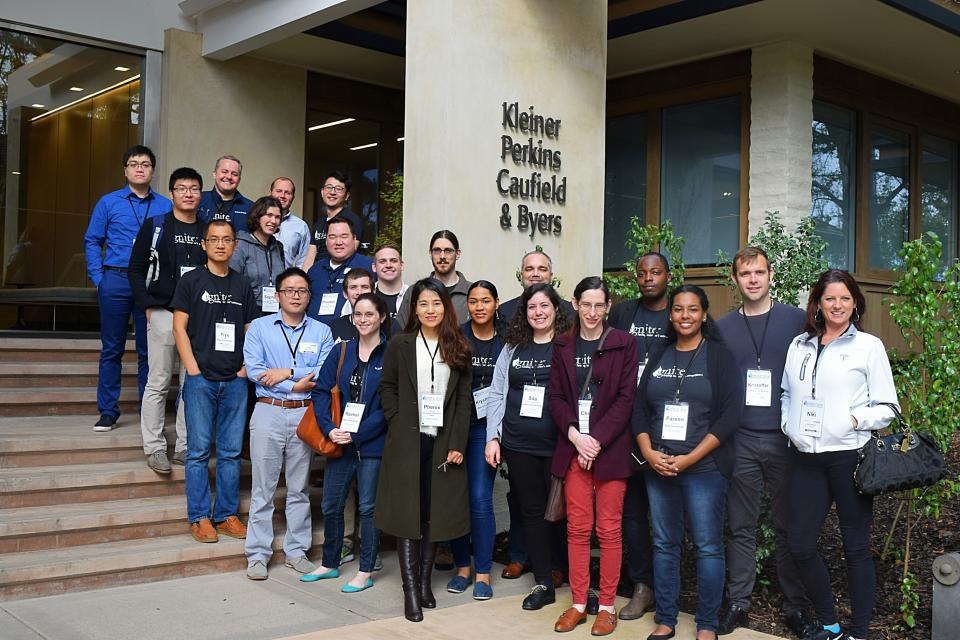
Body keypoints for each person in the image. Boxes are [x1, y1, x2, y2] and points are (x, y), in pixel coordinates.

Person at [781, 270, 899, 640]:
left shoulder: (868, 346)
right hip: (806, 459)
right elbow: (786, 393)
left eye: (845, 299)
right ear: (817, 303)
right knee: (800, 544)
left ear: (855, 304)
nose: (837, 305)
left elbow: (888, 407)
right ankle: (829, 623)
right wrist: (789, 426)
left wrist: (853, 419)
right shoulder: (799, 344)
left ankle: (859, 632)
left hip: (849, 457)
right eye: (830, 299)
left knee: (856, 548)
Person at [632, 285, 742, 640]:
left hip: (704, 469)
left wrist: (690, 458)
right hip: (659, 465)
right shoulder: (660, 353)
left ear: (704, 315)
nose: (684, 316)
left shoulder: (718, 357)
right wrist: (649, 453)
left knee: (708, 547)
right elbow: (639, 409)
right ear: (671, 315)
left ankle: (707, 624)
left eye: (692, 309)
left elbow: (729, 416)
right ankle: (666, 618)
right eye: (678, 309)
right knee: (664, 544)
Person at [715, 247, 814, 638]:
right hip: (740, 440)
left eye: (759, 272)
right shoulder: (722, 328)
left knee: (789, 526)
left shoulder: (795, 320)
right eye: (745, 273)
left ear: (771, 274)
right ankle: (738, 602)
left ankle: (796, 607)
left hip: (786, 440)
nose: (753, 279)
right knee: (741, 527)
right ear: (735, 279)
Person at [375, 279, 473, 622]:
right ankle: (411, 591)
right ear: (414, 309)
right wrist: (398, 420)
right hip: (407, 442)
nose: (430, 310)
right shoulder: (400, 344)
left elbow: (463, 401)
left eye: (436, 303)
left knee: (434, 515)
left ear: (445, 307)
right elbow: (386, 387)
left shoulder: (458, 344)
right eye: (423, 304)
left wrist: (458, 443)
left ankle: (425, 581)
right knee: (408, 517)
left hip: (443, 442)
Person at [548, 277, 638, 636]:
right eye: (586, 304)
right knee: (578, 529)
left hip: (610, 450)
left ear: (608, 306)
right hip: (573, 449)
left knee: (609, 530)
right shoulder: (562, 344)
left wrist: (595, 440)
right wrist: (575, 435)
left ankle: (606, 606)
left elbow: (625, 399)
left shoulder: (624, 343)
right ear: (574, 303)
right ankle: (578, 603)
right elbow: (555, 398)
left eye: (599, 305)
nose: (592, 312)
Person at [242, 267, 334, 579]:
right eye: (289, 290)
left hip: (304, 414)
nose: (295, 295)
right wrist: (293, 383)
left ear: (309, 296)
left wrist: (283, 372)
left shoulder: (321, 332)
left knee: (299, 487)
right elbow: (255, 370)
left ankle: (297, 551)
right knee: (262, 489)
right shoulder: (259, 327)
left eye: (302, 291)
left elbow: (322, 373)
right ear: (278, 295)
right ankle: (257, 554)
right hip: (268, 411)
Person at [485, 283, 572, 612]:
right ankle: (544, 582)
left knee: (562, 512)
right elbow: (497, 392)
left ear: (556, 310)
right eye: (532, 307)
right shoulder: (513, 347)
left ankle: (563, 567)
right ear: (525, 312)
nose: (538, 312)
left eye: (544, 307)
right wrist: (493, 437)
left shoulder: (566, 346)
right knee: (532, 512)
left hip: (557, 444)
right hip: (519, 443)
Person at [172, 219, 258, 544]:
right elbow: (179, 327)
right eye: (214, 240)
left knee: (231, 452)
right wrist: (192, 368)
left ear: (234, 245)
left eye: (226, 240)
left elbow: (251, 329)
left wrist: (247, 366)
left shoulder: (242, 284)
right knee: (197, 453)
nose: (221, 245)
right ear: (204, 244)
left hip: (235, 381)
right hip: (200, 380)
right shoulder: (191, 281)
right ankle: (199, 517)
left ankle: (225, 515)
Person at [301, 293, 391, 592]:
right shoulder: (342, 351)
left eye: (369, 314)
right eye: (358, 314)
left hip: (373, 445)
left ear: (382, 317)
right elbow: (321, 392)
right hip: (339, 442)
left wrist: (359, 433)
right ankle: (329, 563)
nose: (363, 319)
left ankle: (365, 570)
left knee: (368, 508)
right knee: (331, 504)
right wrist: (329, 428)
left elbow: (391, 404)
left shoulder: (391, 354)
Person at [84, 144, 171, 430]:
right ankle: (108, 410)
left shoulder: (164, 205)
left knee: (149, 351)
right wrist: (99, 279)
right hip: (116, 280)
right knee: (112, 349)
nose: (139, 168)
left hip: (150, 282)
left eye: (145, 164)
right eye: (134, 164)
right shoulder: (108, 202)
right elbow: (92, 240)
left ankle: (149, 409)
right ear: (125, 170)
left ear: (152, 170)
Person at [607, 251, 672, 620]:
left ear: (667, 275)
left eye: (656, 272)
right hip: (625, 428)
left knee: (665, 516)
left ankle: (667, 590)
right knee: (632, 515)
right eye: (643, 272)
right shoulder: (622, 315)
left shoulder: (678, 311)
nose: (649, 278)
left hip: (668, 428)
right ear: (636, 277)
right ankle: (642, 585)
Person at [127, 167, 203, 473]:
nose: (188, 193)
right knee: (158, 381)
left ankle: (185, 445)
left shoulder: (208, 230)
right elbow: (134, 269)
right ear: (171, 193)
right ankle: (155, 447)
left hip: (196, 318)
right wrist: (147, 306)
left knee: (191, 383)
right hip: (162, 312)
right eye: (181, 188)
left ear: (200, 193)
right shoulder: (156, 226)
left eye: (194, 188)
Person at [447, 281, 504, 601]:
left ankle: (482, 571)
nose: (479, 306)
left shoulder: (507, 341)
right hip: (457, 426)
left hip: (487, 428)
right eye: (473, 301)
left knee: (481, 498)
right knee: (457, 498)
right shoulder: (457, 336)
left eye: (486, 300)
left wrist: (499, 435)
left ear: (496, 303)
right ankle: (461, 568)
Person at [305, 216, 374, 325]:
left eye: (344, 236)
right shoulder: (315, 270)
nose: (338, 242)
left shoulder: (368, 266)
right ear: (326, 241)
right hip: (315, 336)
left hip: (351, 336)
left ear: (354, 238)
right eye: (332, 237)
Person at [396, 230, 471, 327]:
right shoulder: (415, 291)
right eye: (437, 251)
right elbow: (401, 331)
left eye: (448, 251)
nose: (442, 256)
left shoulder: (471, 292)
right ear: (430, 253)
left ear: (457, 254)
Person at [229, 196, 287, 315]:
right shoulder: (240, 244)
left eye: (277, 217)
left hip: (275, 311)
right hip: (248, 312)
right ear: (257, 216)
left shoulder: (278, 247)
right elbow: (232, 283)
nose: (273, 221)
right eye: (269, 215)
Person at [497, 250, 573, 331]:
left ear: (550, 275)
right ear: (522, 275)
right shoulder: (504, 311)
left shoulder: (571, 311)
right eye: (529, 269)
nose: (535, 274)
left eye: (542, 269)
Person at [303, 171, 364, 271]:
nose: (332, 192)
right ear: (322, 192)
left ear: (347, 195)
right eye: (329, 187)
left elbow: (349, 254)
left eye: (338, 189)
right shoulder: (319, 223)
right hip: (318, 274)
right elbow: (310, 256)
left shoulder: (352, 221)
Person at [196, 155, 254, 231]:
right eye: (224, 171)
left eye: (234, 174)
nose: (229, 177)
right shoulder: (198, 200)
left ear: (239, 179)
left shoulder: (251, 208)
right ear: (214, 174)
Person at [326, 269, 374, 344]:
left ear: (373, 291)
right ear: (345, 294)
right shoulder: (334, 327)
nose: (359, 292)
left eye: (364, 287)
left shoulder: (389, 325)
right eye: (353, 287)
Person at [271, 177, 310, 268]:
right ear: (270, 193)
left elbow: (303, 261)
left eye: (288, 193)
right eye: (279, 191)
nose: (282, 196)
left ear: (293, 197)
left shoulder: (301, 227)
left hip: (285, 280)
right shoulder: (258, 221)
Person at [372, 243, 408, 324]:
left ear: (401, 265)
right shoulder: (364, 294)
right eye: (382, 261)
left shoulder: (413, 295)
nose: (388, 265)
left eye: (393, 261)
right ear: (374, 267)